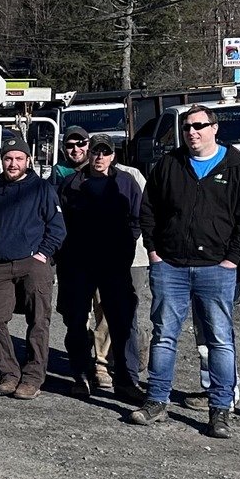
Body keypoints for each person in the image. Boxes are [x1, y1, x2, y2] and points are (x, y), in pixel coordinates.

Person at [129, 103, 240, 437]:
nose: (192, 132)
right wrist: (154, 250)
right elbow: (149, 210)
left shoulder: (237, 167)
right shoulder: (169, 165)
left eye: (199, 126)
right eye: (187, 127)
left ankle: (220, 408)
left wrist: (232, 259)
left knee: (219, 340)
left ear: (215, 128)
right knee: (164, 337)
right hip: (170, 266)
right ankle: (156, 400)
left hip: (216, 268)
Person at [0, 133, 65, 399]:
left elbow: (57, 228)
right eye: (8, 158)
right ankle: (9, 374)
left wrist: (43, 254)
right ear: (2, 161)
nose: (13, 163)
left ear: (28, 160)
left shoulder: (42, 189)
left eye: (18, 158)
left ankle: (33, 377)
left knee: (38, 321)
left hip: (33, 263)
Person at [56, 136, 144, 400]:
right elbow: (60, 222)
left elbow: (138, 218)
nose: (100, 157)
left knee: (122, 321)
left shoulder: (126, 182)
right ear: (89, 153)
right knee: (76, 321)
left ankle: (127, 380)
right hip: (78, 264)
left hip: (114, 264)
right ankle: (81, 375)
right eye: (96, 151)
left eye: (106, 152)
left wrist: (126, 247)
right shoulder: (71, 183)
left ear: (113, 156)